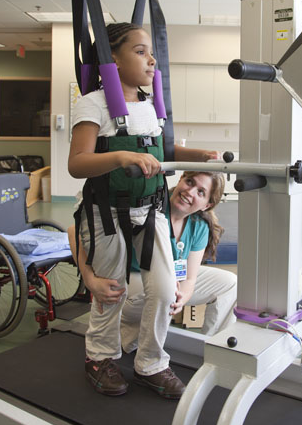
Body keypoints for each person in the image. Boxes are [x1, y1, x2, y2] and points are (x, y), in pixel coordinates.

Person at [68, 22, 222, 399]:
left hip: (150, 210)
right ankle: (99, 357)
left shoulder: (152, 107)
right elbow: (77, 163)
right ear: (113, 60)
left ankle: (151, 362)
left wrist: (199, 155)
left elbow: (162, 153)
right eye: (140, 51)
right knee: (112, 290)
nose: (152, 60)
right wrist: (119, 156)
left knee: (167, 289)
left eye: (150, 52)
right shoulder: (93, 104)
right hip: (108, 212)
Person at [69, 171, 237, 348]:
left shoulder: (199, 225)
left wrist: (183, 298)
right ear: (180, 180)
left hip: (168, 282)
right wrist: (89, 279)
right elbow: (74, 231)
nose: (190, 191)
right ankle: (131, 335)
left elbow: (189, 278)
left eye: (201, 192)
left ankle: (212, 347)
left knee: (230, 283)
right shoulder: (148, 207)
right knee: (166, 288)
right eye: (189, 182)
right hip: (131, 281)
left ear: (207, 204)